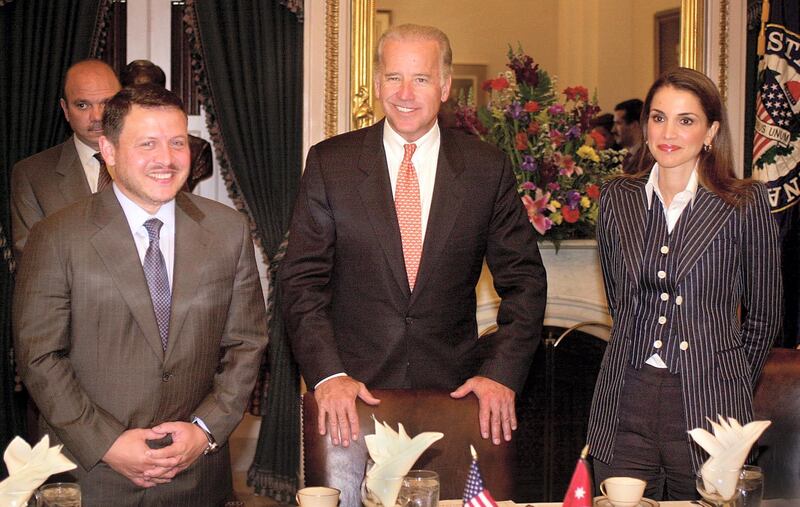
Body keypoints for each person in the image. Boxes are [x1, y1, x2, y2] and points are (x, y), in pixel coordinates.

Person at [280, 24, 547, 448]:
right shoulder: (331, 164)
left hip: (455, 396)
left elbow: (526, 281)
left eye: (420, 78)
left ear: (444, 86)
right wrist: (328, 375)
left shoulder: (485, 168)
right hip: (351, 397)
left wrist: (501, 374)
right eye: (393, 77)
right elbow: (301, 282)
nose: (405, 93)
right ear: (378, 82)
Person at [13, 84, 268, 505]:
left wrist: (204, 429)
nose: (166, 159)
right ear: (108, 152)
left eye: (177, 143)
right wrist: (108, 443)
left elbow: (246, 343)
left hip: (196, 474)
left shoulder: (228, 230)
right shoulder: (57, 236)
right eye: (147, 143)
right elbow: (40, 356)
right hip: (89, 475)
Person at [587, 68, 782, 500]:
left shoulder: (743, 202)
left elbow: (765, 316)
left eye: (686, 120)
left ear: (711, 130)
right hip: (625, 400)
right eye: (658, 118)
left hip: (709, 408)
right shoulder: (618, 198)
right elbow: (621, 303)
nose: (668, 132)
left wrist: (725, 377)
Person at [11, 59, 121, 257]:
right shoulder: (32, 175)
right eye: (83, 105)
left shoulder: (154, 165)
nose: (96, 116)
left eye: (106, 103)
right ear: (65, 110)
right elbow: (33, 262)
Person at [120, 59, 213, 192]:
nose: (142, 99)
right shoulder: (113, 145)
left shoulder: (198, 149)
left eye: (149, 91)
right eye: (134, 92)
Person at [612, 98, 644, 173]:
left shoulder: (646, 160)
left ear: (634, 125)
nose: (613, 130)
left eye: (618, 123)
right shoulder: (628, 156)